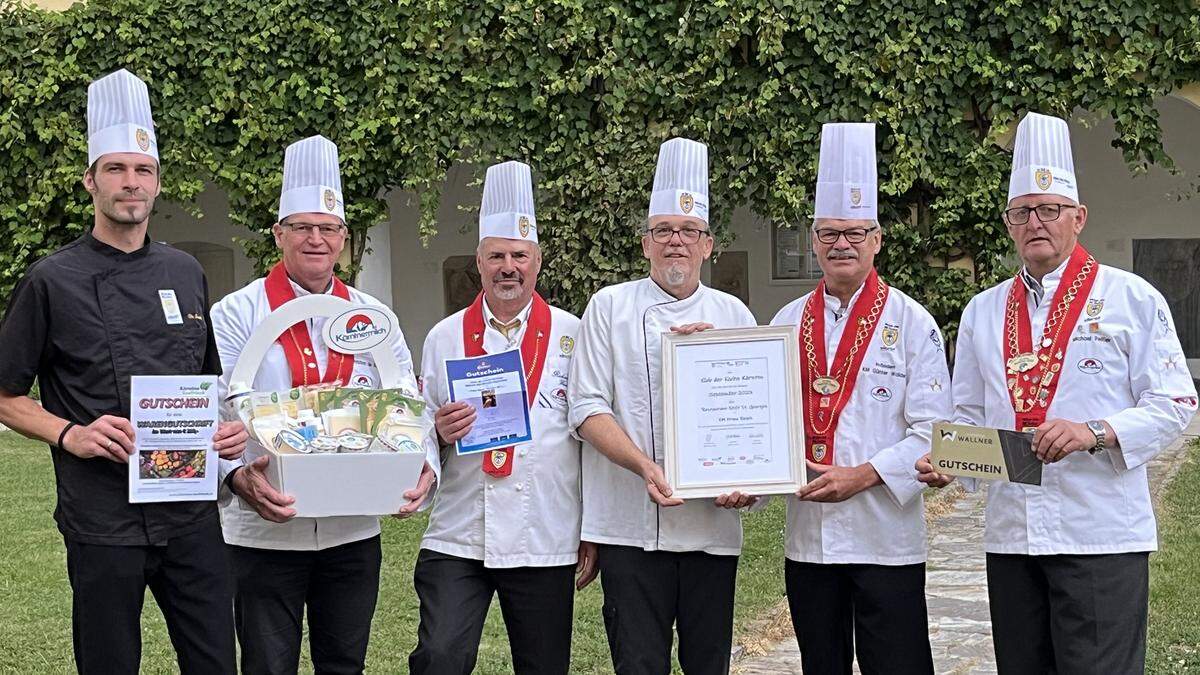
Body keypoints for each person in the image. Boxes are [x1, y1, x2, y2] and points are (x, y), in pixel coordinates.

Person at [917, 112, 1198, 673]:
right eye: (1022, 212)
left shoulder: (1131, 298)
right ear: (1009, 224)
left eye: (1049, 210)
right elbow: (968, 414)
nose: (1035, 223)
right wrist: (949, 462)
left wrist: (1093, 431)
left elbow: (1177, 404)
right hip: (1012, 538)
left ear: (1079, 217)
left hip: (1100, 534)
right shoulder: (984, 310)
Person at [0, 69, 246, 674]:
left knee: (216, 661)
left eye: (142, 170)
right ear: (91, 181)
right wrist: (69, 434)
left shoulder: (186, 271)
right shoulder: (50, 279)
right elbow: (4, 394)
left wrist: (227, 434)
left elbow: (207, 387)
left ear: (157, 182)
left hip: (190, 513)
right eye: (115, 169)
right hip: (101, 519)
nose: (130, 183)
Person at [209, 135, 438, 674]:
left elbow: (404, 399)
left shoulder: (372, 316)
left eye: (328, 228)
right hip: (265, 530)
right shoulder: (237, 312)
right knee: (267, 665)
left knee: (344, 664)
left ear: (343, 239)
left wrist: (422, 460)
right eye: (303, 228)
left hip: (352, 530)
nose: (316, 239)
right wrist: (234, 479)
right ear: (279, 234)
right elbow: (216, 410)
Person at [568, 137, 757, 675]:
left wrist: (750, 484)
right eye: (664, 231)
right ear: (646, 243)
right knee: (638, 663)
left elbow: (754, 418)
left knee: (708, 664)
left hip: (710, 533)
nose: (677, 241)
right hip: (628, 528)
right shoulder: (608, 306)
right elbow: (585, 408)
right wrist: (646, 467)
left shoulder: (734, 315)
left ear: (708, 245)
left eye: (689, 232)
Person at [768, 122, 949, 674]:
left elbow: (932, 431)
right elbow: (762, 421)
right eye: (828, 233)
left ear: (876, 240)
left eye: (854, 232)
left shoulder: (912, 323)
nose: (841, 243)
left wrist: (863, 475)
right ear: (814, 240)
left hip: (886, 540)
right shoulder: (785, 322)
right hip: (810, 541)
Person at [409, 161, 587, 674]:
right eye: (497, 257)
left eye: (519, 256)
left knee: (544, 665)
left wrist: (591, 529)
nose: (508, 267)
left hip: (544, 532)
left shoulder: (573, 334)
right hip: (460, 527)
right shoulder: (444, 336)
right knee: (440, 656)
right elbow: (421, 422)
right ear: (479, 262)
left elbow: (590, 429)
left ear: (537, 261)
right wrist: (437, 433)